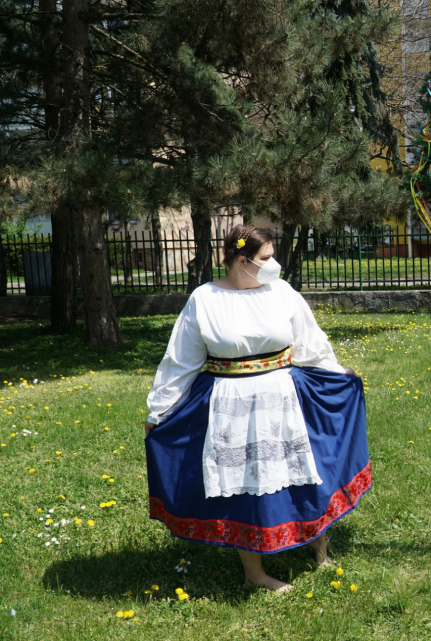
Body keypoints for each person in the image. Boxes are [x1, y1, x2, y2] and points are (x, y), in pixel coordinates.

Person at [144, 224, 371, 591]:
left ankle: (320, 549)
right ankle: (255, 575)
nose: (274, 264)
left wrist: (338, 374)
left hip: (285, 396)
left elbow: (310, 342)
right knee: (244, 488)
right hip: (230, 405)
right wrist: (159, 412)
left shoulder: (281, 292)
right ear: (241, 261)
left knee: (308, 472)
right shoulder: (205, 299)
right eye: (266, 258)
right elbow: (180, 362)